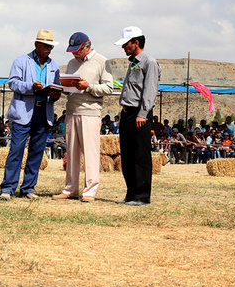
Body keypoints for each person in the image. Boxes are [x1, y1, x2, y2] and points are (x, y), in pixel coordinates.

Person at [0, 29, 61, 200]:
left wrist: (56, 94)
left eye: (51, 46)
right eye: (46, 45)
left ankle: (28, 188)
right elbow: (13, 83)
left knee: (36, 152)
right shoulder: (21, 61)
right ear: (36, 45)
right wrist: (31, 87)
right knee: (16, 150)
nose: (49, 49)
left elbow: (56, 87)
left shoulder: (54, 65)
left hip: (44, 111)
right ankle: (8, 188)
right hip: (23, 113)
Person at [53, 32, 113, 203]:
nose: (74, 54)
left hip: (90, 113)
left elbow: (109, 88)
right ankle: (70, 189)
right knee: (71, 152)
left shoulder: (102, 61)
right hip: (71, 111)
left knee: (90, 153)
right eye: (72, 51)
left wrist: (88, 87)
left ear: (87, 46)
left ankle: (90, 190)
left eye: (77, 50)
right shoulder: (72, 63)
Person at [115, 26, 160, 206]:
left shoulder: (149, 62)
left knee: (140, 155)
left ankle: (142, 196)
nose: (123, 47)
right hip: (126, 112)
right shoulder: (133, 62)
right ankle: (131, 194)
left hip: (139, 113)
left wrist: (143, 113)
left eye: (126, 43)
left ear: (136, 42)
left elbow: (149, 90)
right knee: (127, 155)